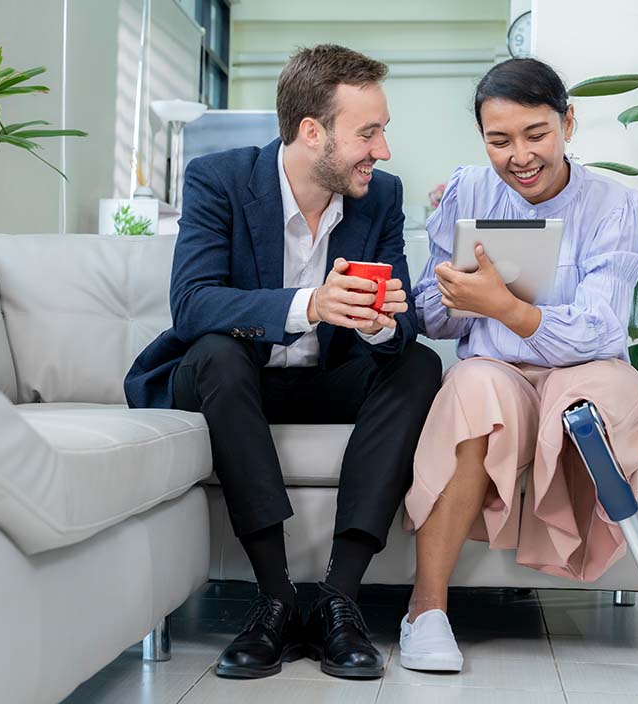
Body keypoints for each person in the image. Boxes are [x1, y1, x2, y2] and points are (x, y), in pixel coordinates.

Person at [397, 58, 638, 699]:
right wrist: (449, 296)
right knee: (471, 390)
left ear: (567, 123)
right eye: (499, 141)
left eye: (536, 134)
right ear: (481, 140)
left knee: (584, 409)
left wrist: (509, 308)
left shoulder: (616, 204)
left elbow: (601, 327)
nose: (519, 156)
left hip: (587, 366)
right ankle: (426, 611)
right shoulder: (467, 191)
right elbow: (433, 321)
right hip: (495, 367)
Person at [124, 45, 442, 680]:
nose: (382, 151)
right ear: (311, 132)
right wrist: (311, 305)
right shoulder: (220, 179)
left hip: (326, 378)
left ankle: (339, 599)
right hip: (230, 379)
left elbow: (402, 323)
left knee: (419, 365)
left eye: (383, 132)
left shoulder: (380, 198)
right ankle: (274, 599)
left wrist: (383, 328)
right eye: (369, 133)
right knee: (216, 352)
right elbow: (192, 303)